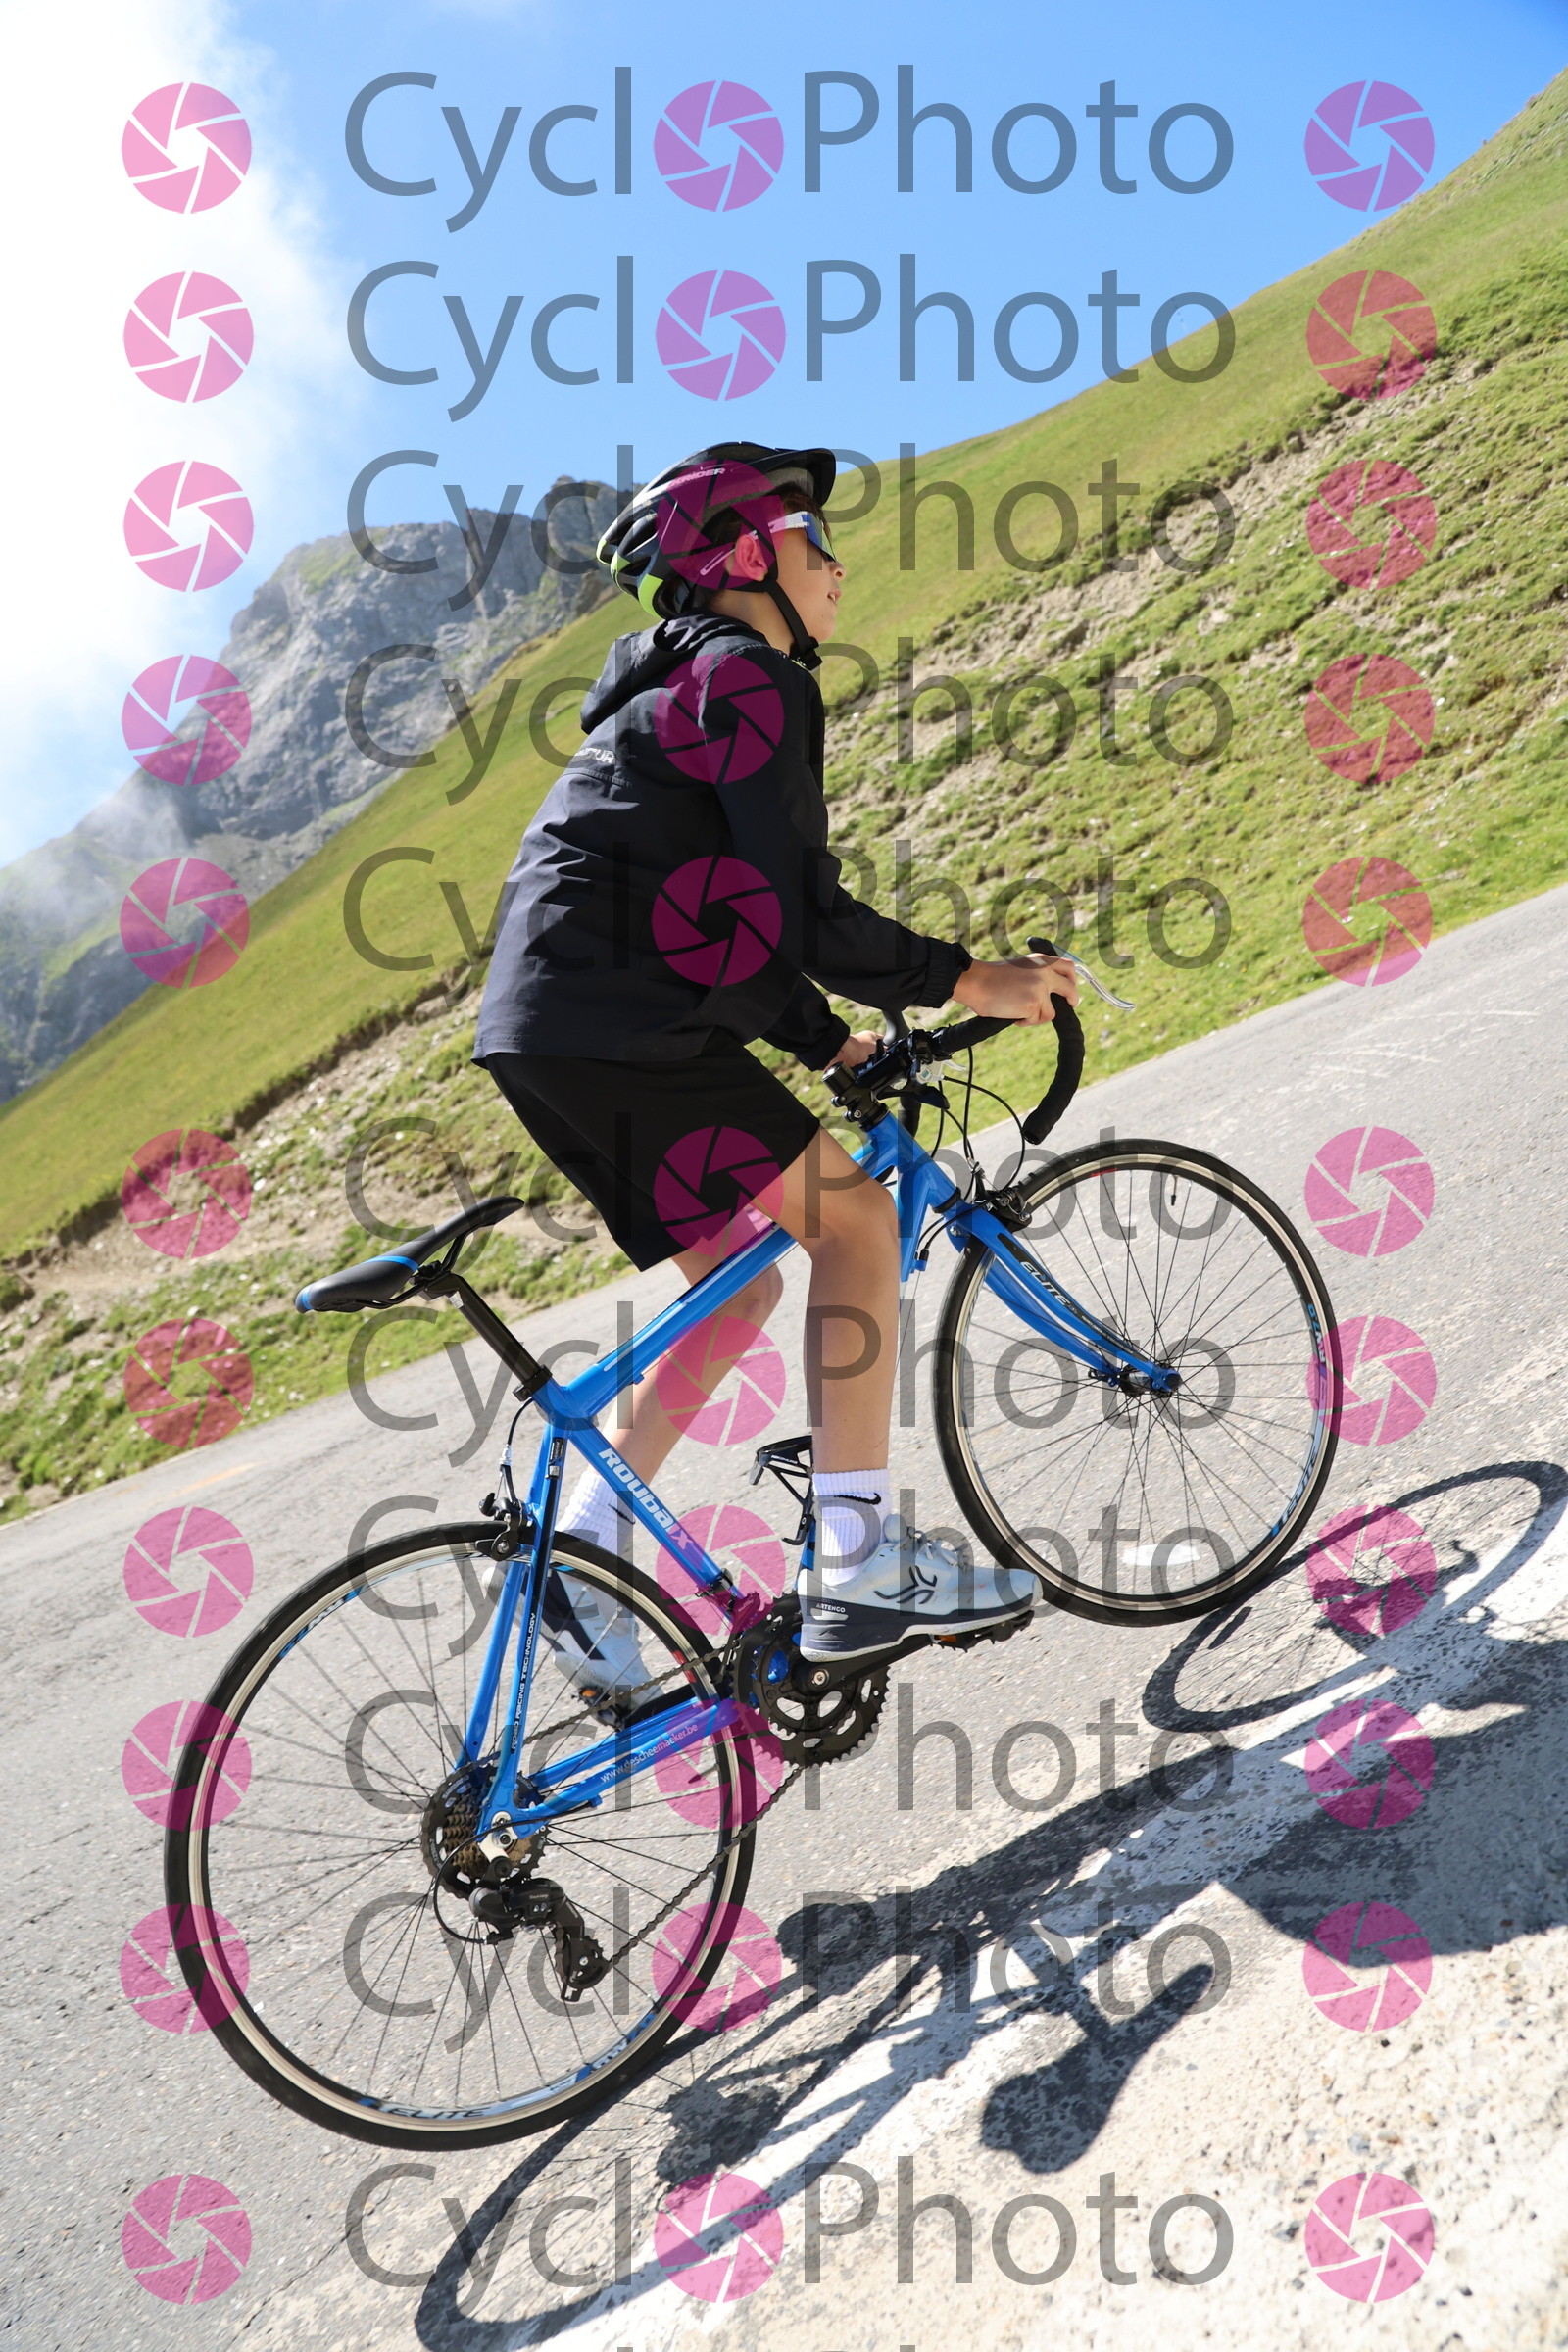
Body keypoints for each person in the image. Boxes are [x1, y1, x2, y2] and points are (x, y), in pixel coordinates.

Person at [473, 441, 1077, 1695]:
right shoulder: (750, 678)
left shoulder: (675, 695)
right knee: (851, 1225)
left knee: (733, 1284)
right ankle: (855, 1565)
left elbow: (722, 922)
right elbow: (801, 913)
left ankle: (579, 1557)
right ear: (744, 556)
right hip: (618, 1019)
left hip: (549, 1028)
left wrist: (832, 1043)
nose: (838, 567)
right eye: (815, 542)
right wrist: (972, 978)